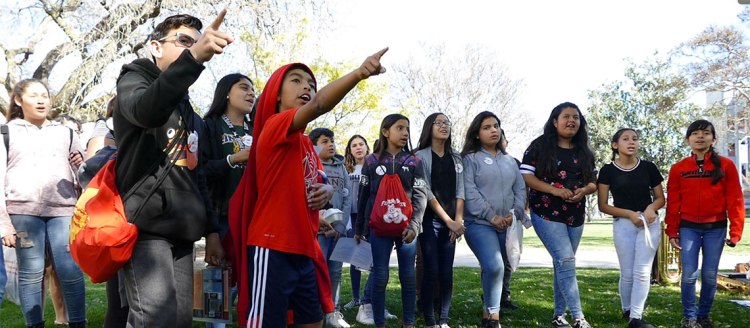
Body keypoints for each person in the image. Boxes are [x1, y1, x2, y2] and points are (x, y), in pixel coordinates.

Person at [228, 48, 388, 327]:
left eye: (311, 84)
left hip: (306, 248)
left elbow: (318, 182)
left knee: (313, 320)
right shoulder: (274, 125)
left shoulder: (306, 145)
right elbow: (317, 107)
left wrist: (325, 195)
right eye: (297, 80)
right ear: (277, 92)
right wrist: (360, 73)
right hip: (272, 244)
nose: (307, 87)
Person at [114, 11, 230, 327]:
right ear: (156, 46)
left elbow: (197, 172)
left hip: (185, 229)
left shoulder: (187, 108)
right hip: (145, 227)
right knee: (154, 317)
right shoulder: (133, 80)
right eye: (182, 41)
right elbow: (146, 111)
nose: (190, 48)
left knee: (180, 319)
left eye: (194, 43)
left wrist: (211, 230)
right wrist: (193, 59)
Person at [0, 78, 86, 328]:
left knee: (70, 270)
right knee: (31, 273)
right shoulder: (6, 132)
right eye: (34, 95)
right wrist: (4, 224)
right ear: (18, 100)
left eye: (45, 96)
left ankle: (78, 323)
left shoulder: (66, 132)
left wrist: (81, 165)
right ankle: (34, 324)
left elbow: (85, 177)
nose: (41, 100)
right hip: (22, 212)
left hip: (63, 210)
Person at [520, 102, 597, 328]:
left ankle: (558, 315)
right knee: (566, 260)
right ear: (555, 121)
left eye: (576, 117)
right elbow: (526, 175)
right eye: (566, 116)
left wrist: (584, 190)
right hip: (546, 212)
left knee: (563, 264)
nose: (571, 120)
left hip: (575, 215)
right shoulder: (539, 146)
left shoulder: (584, 151)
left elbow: (593, 182)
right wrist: (555, 190)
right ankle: (578, 318)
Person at [666, 119, 745, 328]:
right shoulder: (678, 168)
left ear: (713, 139)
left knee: (709, 276)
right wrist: (672, 230)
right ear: (688, 139)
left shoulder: (726, 166)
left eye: (705, 133)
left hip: (716, 229)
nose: (700, 136)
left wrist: (736, 231)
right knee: (689, 275)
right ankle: (689, 317)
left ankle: (703, 316)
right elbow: (673, 202)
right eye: (695, 133)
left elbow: (735, 198)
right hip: (688, 227)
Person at [355, 113, 428, 328]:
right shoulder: (371, 161)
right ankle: (379, 323)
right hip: (378, 228)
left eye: (407, 128)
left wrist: (415, 226)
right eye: (400, 128)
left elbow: (420, 195)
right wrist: (360, 227)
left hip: (407, 229)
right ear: (385, 132)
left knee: (407, 276)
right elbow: (364, 195)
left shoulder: (415, 161)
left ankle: (409, 323)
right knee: (380, 275)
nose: (405, 132)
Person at [202, 73, 255, 328]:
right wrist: (232, 160)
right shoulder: (209, 126)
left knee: (251, 281)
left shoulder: (258, 128)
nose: (251, 93)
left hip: (255, 218)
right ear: (226, 92)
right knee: (216, 283)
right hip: (221, 216)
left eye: (253, 89)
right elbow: (198, 170)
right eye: (244, 88)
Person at [461, 111, 524, 328]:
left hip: (507, 224)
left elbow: (520, 188)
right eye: (487, 127)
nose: (493, 130)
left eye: (496, 126)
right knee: (495, 265)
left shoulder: (510, 161)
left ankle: (488, 318)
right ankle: (494, 318)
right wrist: (491, 216)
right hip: (479, 224)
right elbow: (469, 191)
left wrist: (513, 213)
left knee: (497, 268)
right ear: (477, 134)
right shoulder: (470, 159)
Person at [597, 128, 664, 328]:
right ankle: (627, 310)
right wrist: (629, 214)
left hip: (648, 223)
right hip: (623, 224)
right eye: (625, 139)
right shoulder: (607, 170)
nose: (631, 142)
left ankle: (636, 317)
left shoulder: (649, 167)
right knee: (627, 272)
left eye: (634, 138)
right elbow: (603, 205)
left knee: (643, 272)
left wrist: (651, 208)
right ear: (615, 145)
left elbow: (661, 198)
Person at [414, 113, 465, 328]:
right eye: (439, 123)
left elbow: (460, 189)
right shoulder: (420, 156)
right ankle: (430, 321)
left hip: (452, 223)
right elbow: (425, 190)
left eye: (447, 123)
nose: (444, 126)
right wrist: (447, 220)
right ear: (430, 127)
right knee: (431, 270)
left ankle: (443, 320)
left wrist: (458, 220)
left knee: (446, 271)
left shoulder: (456, 157)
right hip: (429, 221)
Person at [309, 127, 352, 328]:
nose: (331, 144)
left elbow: (347, 196)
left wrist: (341, 227)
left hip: (338, 231)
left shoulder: (341, 166)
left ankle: (332, 311)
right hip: (319, 230)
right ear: (314, 146)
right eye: (325, 141)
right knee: (318, 270)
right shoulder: (312, 166)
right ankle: (315, 310)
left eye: (332, 140)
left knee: (335, 271)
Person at [342, 134, 369, 310]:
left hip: (369, 216)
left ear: (367, 146)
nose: (358, 148)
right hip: (352, 217)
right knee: (355, 259)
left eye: (361, 144)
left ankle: (370, 299)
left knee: (373, 260)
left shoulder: (374, 165)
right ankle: (356, 298)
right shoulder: (346, 169)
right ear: (350, 150)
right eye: (354, 145)